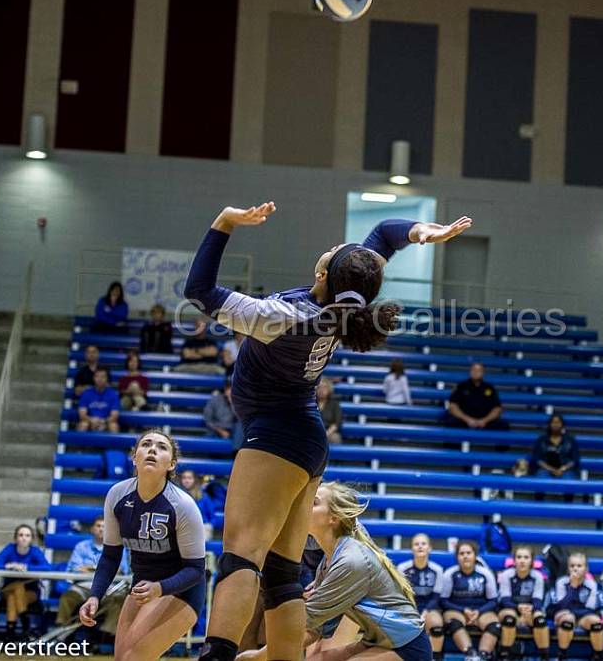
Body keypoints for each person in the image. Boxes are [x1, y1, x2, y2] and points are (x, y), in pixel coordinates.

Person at [183, 202, 471, 661]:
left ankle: (215, 655)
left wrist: (223, 223)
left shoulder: (285, 316)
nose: (338, 245)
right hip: (304, 437)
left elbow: (198, 291)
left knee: (241, 555)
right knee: (281, 572)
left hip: (277, 434)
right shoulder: (338, 305)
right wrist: (422, 232)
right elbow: (383, 234)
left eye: (337, 250)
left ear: (324, 274)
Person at [239, 482, 430, 661]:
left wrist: (261, 655)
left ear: (334, 518)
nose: (305, 507)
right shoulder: (329, 559)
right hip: (378, 641)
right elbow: (315, 628)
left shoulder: (350, 561)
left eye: (313, 503)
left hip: (407, 647)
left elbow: (305, 622)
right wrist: (261, 654)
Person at [79, 430, 206, 660]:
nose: (152, 449)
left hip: (180, 591)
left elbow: (196, 570)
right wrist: (95, 595)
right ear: (134, 457)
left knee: (134, 658)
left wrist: (160, 588)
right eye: (146, 444)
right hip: (141, 586)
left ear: (171, 464)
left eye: (161, 447)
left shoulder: (183, 505)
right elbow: (110, 556)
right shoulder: (117, 495)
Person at [56, 515, 130, 636]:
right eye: (98, 526)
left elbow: (122, 571)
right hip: (82, 586)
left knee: (119, 601)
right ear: (92, 529)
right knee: (68, 597)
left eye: (104, 527)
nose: (101, 529)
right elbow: (75, 569)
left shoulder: (119, 548)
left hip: (109, 588)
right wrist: (103, 570)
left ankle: (104, 637)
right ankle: (61, 633)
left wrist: (89, 568)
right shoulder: (81, 547)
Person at [438, 540, 500, 661]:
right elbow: (443, 601)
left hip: (481, 610)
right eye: (461, 553)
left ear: (475, 555)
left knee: (494, 626)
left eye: (468, 553)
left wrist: (479, 611)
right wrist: (463, 610)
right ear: (457, 557)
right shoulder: (450, 574)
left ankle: (483, 655)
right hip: (457, 609)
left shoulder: (485, 573)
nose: (465, 556)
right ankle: (470, 654)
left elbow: (493, 600)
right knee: (453, 622)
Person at [0, 524, 51, 640]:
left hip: (31, 591)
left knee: (16, 593)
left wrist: (26, 567)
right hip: (7, 589)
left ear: (31, 539)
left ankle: (10, 632)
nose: (23, 538)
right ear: (15, 538)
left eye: (27, 535)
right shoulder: (10, 548)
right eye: (21, 535)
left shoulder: (35, 551)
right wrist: (9, 566)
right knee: (17, 588)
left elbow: (47, 567)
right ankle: (26, 625)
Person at [397, 533, 446, 661]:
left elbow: (436, 597)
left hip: (430, 607)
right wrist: (412, 611)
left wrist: (425, 612)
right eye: (416, 544)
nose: (420, 547)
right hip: (408, 606)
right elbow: (401, 595)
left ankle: (435, 657)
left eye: (423, 544)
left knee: (436, 628)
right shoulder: (402, 568)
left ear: (429, 548)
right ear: (412, 548)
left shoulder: (438, 570)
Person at [496, 546, 548, 661]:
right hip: (510, 608)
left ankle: (544, 656)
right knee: (509, 618)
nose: (522, 560)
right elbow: (505, 600)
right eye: (519, 557)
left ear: (532, 561)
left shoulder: (538, 576)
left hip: (530, 610)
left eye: (526, 557)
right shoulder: (506, 575)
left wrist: (530, 609)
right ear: (514, 560)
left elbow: (538, 600)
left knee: (540, 619)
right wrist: (518, 607)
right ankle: (504, 655)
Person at [550, 552, 603, 661]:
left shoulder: (591, 584)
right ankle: (562, 655)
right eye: (572, 566)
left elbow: (590, 608)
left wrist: (574, 614)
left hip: (584, 617)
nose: (575, 569)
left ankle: (597, 656)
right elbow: (561, 607)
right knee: (568, 620)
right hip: (566, 616)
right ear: (568, 569)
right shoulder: (562, 582)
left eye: (579, 566)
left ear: (586, 569)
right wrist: (573, 587)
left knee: (596, 622)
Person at [446, 363, 507, 430]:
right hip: (463, 420)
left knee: (503, 425)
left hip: (485, 421)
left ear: (483, 373)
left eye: (479, 370)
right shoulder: (461, 386)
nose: (476, 372)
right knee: (450, 423)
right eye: (474, 370)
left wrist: (484, 421)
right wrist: (468, 420)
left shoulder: (490, 388)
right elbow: (453, 406)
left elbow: (497, 408)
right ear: (470, 372)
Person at [77, 367, 121, 433]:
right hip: (90, 422)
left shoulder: (113, 394)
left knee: (113, 426)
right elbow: (82, 414)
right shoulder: (86, 393)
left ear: (107, 379)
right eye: (97, 376)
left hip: (106, 422)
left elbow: (114, 416)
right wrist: (92, 420)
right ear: (93, 378)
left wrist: (104, 421)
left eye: (103, 377)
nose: (99, 379)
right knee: (83, 424)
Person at [203, 379, 241, 446]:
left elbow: (240, 419)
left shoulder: (239, 401)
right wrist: (221, 431)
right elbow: (207, 420)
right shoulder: (215, 400)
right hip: (216, 429)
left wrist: (232, 404)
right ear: (226, 390)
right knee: (211, 434)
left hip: (233, 430)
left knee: (239, 428)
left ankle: (235, 452)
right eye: (230, 389)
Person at [316, 380, 343, 445]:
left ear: (329, 389)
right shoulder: (310, 403)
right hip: (312, 432)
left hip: (329, 433)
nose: (321, 390)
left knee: (335, 438)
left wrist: (326, 434)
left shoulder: (334, 404)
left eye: (324, 387)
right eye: (319, 387)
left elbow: (337, 423)